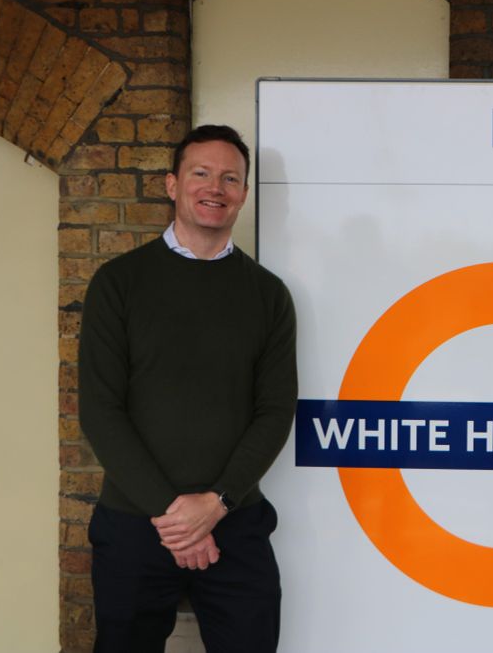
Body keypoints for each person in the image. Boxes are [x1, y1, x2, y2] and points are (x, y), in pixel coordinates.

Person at [79, 124, 297, 652]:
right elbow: (100, 410)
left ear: (243, 193)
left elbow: (274, 411)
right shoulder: (119, 283)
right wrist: (177, 519)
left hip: (236, 526)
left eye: (230, 177)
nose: (215, 187)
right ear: (172, 184)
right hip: (134, 525)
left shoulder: (268, 295)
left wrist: (215, 506)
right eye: (200, 173)